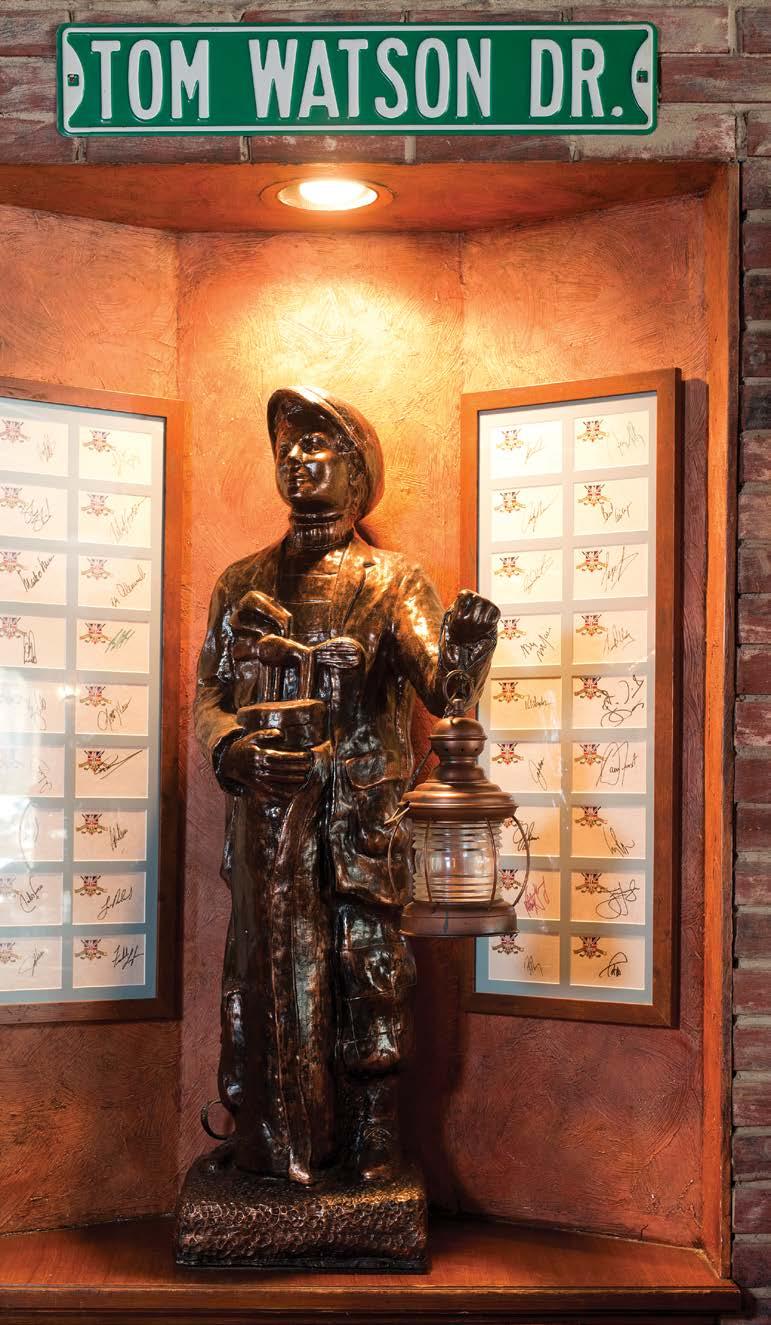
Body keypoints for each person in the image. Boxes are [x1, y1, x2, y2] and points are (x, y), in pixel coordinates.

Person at [195, 386, 499, 1189]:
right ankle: (264, 1132)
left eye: (316, 445)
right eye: (286, 447)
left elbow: (442, 688)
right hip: (269, 826)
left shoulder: (393, 581)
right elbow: (209, 697)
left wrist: (468, 654)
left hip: (359, 822)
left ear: (357, 472)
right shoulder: (240, 581)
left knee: (368, 971)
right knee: (262, 978)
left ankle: (371, 1128)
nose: (296, 460)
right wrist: (235, 750)